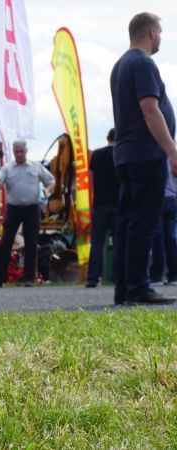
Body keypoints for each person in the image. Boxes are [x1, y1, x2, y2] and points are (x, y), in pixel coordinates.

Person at [110, 12, 177, 305]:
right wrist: (172, 150)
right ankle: (139, 287)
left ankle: (124, 287)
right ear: (151, 33)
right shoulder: (143, 63)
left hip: (126, 153)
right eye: (160, 33)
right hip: (146, 152)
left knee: (127, 221)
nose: (160, 38)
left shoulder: (121, 65)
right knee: (143, 222)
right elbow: (150, 109)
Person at [0, 140, 55, 287]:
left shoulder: (36, 166)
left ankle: (28, 278)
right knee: (6, 242)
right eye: (16, 152)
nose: (19, 154)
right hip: (13, 208)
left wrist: (47, 191)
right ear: (14, 152)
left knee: (31, 242)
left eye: (21, 151)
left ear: (26, 151)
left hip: (32, 208)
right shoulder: (7, 168)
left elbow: (51, 180)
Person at [86, 129, 119, 288]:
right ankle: (116, 276)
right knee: (119, 241)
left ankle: (93, 278)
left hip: (99, 203)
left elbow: (91, 180)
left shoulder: (97, 155)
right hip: (118, 204)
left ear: (107, 138)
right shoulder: (120, 154)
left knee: (97, 242)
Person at [149, 171, 177, 285]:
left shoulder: (155, 156)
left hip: (157, 198)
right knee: (171, 239)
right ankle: (174, 276)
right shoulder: (173, 158)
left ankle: (157, 275)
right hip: (172, 199)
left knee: (157, 238)